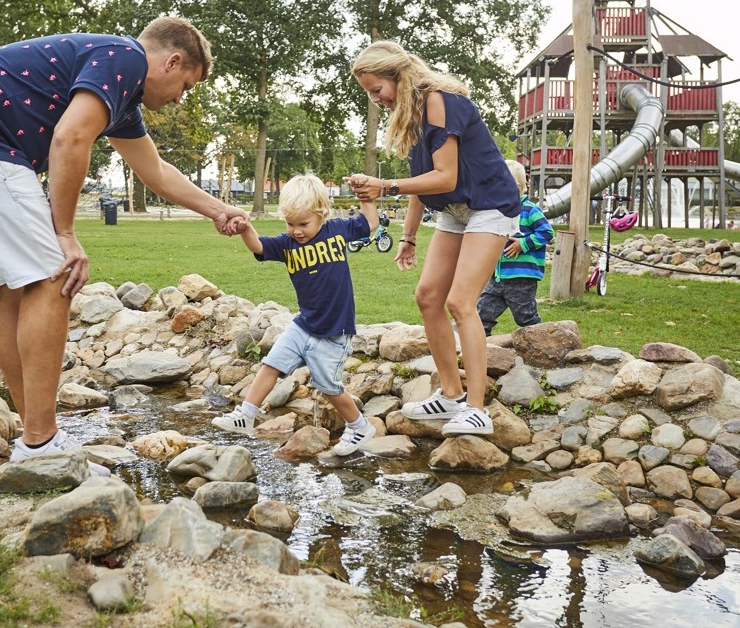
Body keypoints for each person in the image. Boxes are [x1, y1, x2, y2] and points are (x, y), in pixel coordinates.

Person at [0, 17, 249, 468]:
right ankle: (41, 443)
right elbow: (70, 138)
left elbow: (156, 172)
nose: (181, 98)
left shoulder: (120, 99)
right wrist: (64, 233)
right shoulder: (124, 58)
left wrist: (219, 210)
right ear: (172, 60)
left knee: (10, 289)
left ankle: (34, 434)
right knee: (54, 276)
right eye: (186, 84)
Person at [348, 40, 521, 437]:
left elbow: (446, 176)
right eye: (369, 94)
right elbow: (423, 183)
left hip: (490, 204)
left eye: (378, 90)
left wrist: (384, 186)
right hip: (455, 210)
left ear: (399, 77)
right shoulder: (410, 116)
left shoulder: (440, 101)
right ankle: (450, 394)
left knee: (461, 301)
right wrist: (408, 238)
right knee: (428, 297)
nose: (376, 100)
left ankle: (476, 409)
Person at [211, 173, 379, 456]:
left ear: (322, 214)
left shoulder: (337, 230)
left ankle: (359, 426)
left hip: (334, 331)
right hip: (303, 325)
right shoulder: (287, 244)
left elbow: (370, 223)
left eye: (303, 224)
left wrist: (365, 198)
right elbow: (259, 247)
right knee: (271, 363)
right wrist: (245, 229)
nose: (297, 230)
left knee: (329, 387)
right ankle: (246, 414)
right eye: (290, 224)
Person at [477, 160, 554, 336]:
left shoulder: (529, 210)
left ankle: (542, 344)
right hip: (496, 277)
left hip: (521, 278)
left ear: (516, 187)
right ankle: (480, 348)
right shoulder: (496, 211)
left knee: (526, 318)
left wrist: (523, 243)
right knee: (482, 315)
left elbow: (547, 232)